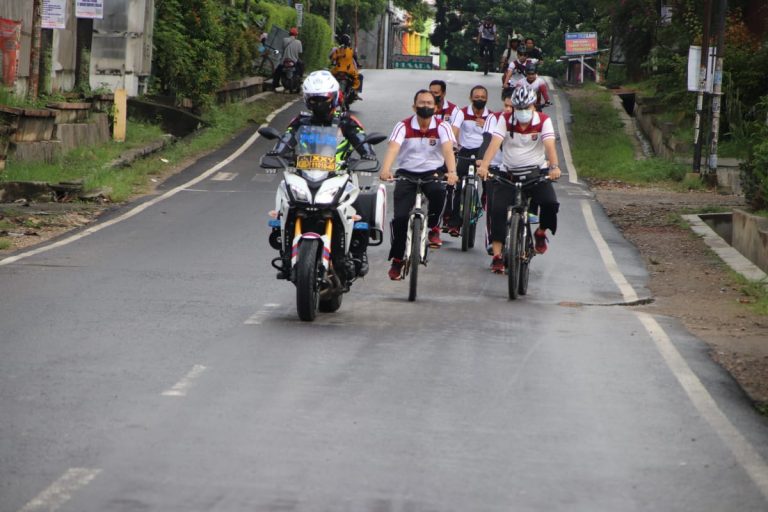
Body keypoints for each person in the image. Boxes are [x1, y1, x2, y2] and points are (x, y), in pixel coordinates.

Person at [266, 70, 377, 274]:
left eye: (322, 99)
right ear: (307, 99)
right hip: (304, 175)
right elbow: (287, 138)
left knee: (359, 210)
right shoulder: (301, 121)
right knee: (283, 201)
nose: (318, 104)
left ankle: (359, 254)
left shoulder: (346, 121)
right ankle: (285, 250)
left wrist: (368, 155)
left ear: (334, 97)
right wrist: (276, 153)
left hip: (339, 176)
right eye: (313, 99)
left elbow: (362, 142)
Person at [477, 86, 561, 273]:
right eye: (519, 108)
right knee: (497, 210)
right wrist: (484, 166)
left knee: (550, 203)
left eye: (527, 108)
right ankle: (498, 256)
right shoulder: (505, 119)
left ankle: (540, 233)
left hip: (535, 174)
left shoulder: (544, 121)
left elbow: (549, 145)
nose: (523, 112)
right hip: (509, 174)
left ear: (534, 106)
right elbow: (494, 143)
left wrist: (554, 167)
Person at [379, 89, 458, 280]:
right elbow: (393, 148)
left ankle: (433, 227)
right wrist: (386, 169)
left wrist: (452, 172)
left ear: (436, 107)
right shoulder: (403, 126)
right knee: (399, 219)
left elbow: (448, 151)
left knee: (440, 192)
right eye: (421, 103)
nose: (425, 106)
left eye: (429, 103)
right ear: (414, 106)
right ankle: (397, 260)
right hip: (407, 173)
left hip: (433, 172)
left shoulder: (442, 127)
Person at [444, 85, 492, 236]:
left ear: (487, 99)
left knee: (489, 179)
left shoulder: (490, 116)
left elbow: (492, 137)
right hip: (465, 151)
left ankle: (485, 194)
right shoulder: (462, 113)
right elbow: (454, 130)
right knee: (458, 186)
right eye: (476, 97)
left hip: (483, 151)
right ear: (471, 98)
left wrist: (486, 126)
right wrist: (452, 147)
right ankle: (454, 224)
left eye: (483, 97)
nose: (479, 99)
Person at [477, 87, 514, 253]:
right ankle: (494, 243)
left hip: (518, 170)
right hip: (496, 168)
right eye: (506, 106)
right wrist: (482, 161)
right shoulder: (494, 118)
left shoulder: (531, 120)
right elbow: (487, 140)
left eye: (512, 107)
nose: (508, 110)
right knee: (494, 207)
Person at [329, 34, 363, 100]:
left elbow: (332, 58)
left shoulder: (337, 50)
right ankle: (355, 93)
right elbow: (355, 60)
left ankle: (328, 91)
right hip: (349, 71)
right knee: (359, 77)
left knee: (329, 77)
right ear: (348, 42)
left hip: (337, 70)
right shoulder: (351, 50)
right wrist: (358, 65)